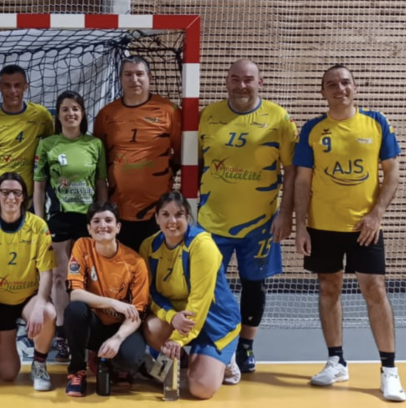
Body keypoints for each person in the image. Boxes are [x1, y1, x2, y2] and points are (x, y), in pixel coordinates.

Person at [293, 65, 403, 401]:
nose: (339, 88)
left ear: (355, 87)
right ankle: (336, 361)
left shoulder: (376, 122)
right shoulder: (312, 129)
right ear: (323, 92)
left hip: (364, 226)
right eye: (331, 84)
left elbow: (392, 173)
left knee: (375, 289)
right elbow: (302, 180)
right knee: (329, 288)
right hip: (322, 225)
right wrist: (301, 226)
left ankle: (389, 370)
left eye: (345, 82)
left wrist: (376, 214)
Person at [197, 59, 298, 373]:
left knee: (254, 284)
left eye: (248, 80)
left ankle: (246, 346)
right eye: (236, 79)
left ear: (260, 82)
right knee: (208, 285)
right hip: (211, 221)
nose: (242, 85)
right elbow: (195, 163)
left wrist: (286, 214)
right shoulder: (208, 115)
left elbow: (292, 170)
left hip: (260, 223)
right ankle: (215, 341)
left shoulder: (279, 118)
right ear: (226, 81)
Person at [141, 191, 242, 400]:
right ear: (157, 218)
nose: (172, 221)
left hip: (214, 322)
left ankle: (226, 360)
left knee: (201, 390)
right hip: (179, 319)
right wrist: (171, 317)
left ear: (188, 217)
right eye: (165, 215)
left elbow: (199, 301)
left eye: (179, 215)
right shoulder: (149, 247)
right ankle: (185, 361)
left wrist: (177, 340)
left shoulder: (202, 246)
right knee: (151, 326)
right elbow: (149, 293)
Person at [33, 90, 108, 362]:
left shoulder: (94, 144)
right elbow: (39, 186)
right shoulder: (48, 145)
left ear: (83, 113)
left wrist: (103, 217)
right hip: (59, 217)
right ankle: (63, 334)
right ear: (58, 114)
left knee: (89, 277)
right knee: (58, 277)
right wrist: (40, 221)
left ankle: (89, 332)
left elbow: (101, 183)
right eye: (65, 109)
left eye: (75, 108)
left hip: (88, 219)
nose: (70, 114)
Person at [0, 172, 57, 391]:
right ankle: (10, 347)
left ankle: (39, 363)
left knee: (47, 313)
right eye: (6, 192)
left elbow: (46, 273)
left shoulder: (38, 226)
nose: (11, 198)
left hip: (29, 298)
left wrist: (39, 305)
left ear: (24, 197)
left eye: (17, 193)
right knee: (8, 373)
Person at [93, 56, 181, 251]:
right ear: (120, 79)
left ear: (150, 77)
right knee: (122, 265)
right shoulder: (107, 114)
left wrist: (163, 173)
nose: (134, 79)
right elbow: (98, 158)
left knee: (155, 265)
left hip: (158, 210)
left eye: (140, 74)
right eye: (128, 74)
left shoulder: (169, 111)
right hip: (118, 209)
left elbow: (182, 154)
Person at [61, 201, 148, 397]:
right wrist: (113, 303)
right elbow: (75, 294)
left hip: (121, 327)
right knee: (75, 310)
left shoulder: (136, 262)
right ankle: (77, 371)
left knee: (130, 360)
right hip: (93, 326)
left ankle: (111, 361)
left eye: (108, 220)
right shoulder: (82, 246)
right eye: (96, 221)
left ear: (118, 227)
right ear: (89, 229)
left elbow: (139, 312)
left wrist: (118, 338)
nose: (103, 225)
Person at [0, 65, 54, 236]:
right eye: (7, 85)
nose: (13, 91)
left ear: (26, 87)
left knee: (28, 249)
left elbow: (53, 152)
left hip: (28, 200)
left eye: (17, 85)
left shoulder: (41, 116)